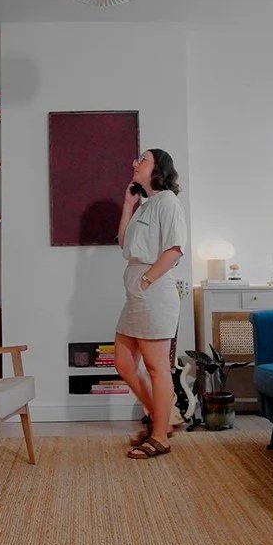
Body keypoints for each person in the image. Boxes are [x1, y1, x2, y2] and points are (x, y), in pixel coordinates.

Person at [115, 148, 187, 459]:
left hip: (153, 292)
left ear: (159, 168)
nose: (134, 162)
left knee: (158, 368)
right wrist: (128, 205)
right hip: (136, 295)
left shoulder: (168, 202)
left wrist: (146, 282)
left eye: (142, 159)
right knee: (123, 362)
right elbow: (123, 244)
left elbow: (174, 250)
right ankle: (165, 417)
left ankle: (160, 436)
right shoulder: (146, 205)